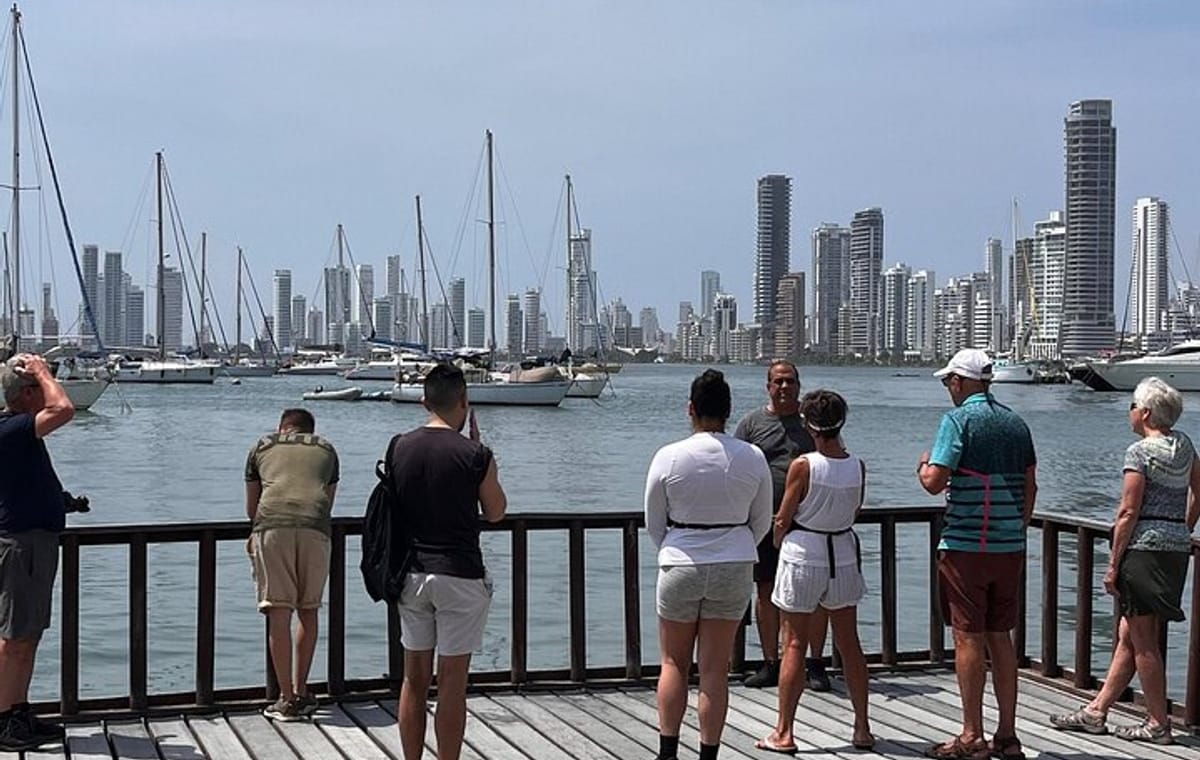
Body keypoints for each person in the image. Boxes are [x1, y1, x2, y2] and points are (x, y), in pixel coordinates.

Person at [1048, 377, 1198, 745]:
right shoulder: (1185, 445)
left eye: (1132, 405)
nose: (1129, 412)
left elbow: (1128, 511)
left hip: (1144, 550)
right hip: (1174, 550)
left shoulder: (1139, 452)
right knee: (1128, 635)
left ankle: (1158, 722)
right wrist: (1181, 527)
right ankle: (1096, 711)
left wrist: (1113, 563)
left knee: (1143, 640)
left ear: (1145, 412)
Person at [646, 369, 773, 760]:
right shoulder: (752, 457)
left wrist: (675, 545)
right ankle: (708, 754)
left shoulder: (669, 455)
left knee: (673, 663)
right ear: (729, 412)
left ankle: (668, 751)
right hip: (734, 561)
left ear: (690, 409)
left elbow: (654, 520)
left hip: (680, 559)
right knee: (715, 670)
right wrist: (735, 543)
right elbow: (762, 520)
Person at [918, 349, 1037, 760]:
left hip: (967, 545)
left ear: (964, 381)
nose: (948, 386)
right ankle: (1008, 735)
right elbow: (1031, 488)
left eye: (950, 379)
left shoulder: (957, 420)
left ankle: (971, 735)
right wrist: (1015, 530)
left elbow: (934, 482)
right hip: (1009, 548)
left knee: (967, 637)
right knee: (1000, 637)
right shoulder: (1016, 423)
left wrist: (922, 466)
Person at [395, 364, 507, 760]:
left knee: (413, 678)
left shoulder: (400, 446)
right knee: (452, 683)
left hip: (411, 573)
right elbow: (495, 511)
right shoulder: (475, 454)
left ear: (424, 401)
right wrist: (479, 450)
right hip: (459, 573)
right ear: (465, 400)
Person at [758, 390, 873, 753]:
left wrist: (778, 540)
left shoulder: (804, 465)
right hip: (842, 550)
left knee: (793, 643)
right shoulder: (857, 465)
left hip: (804, 550)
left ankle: (784, 731)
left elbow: (783, 517)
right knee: (849, 642)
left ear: (809, 425)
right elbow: (854, 511)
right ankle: (863, 727)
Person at [734, 360, 829, 690]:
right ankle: (770, 662)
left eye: (790, 381)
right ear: (768, 387)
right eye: (778, 382)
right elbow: (736, 468)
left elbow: (834, 457)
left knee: (814, 595)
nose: (785, 387)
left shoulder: (814, 424)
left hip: (809, 523)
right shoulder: (751, 424)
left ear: (799, 385)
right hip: (763, 521)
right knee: (765, 591)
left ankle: (815, 663)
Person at [245, 408, 340, 721]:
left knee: (279, 612)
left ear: (282, 428)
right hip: (316, 530)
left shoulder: (262, 446)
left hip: (272, 528)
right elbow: (326, 502)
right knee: (308, 610)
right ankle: (302, 691)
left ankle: (285, 699)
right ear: (310, 431)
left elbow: (252, 508)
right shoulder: (327, 450)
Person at [0, 354, 74, 751]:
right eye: (40, 388)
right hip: (21, 543)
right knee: (15, 637)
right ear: (27, 394)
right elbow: (63, 408)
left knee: (28, 634)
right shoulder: (13, 428)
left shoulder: (17, 431)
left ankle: (16, 712)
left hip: (34, 540)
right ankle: (2, 720)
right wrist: (44, 374)